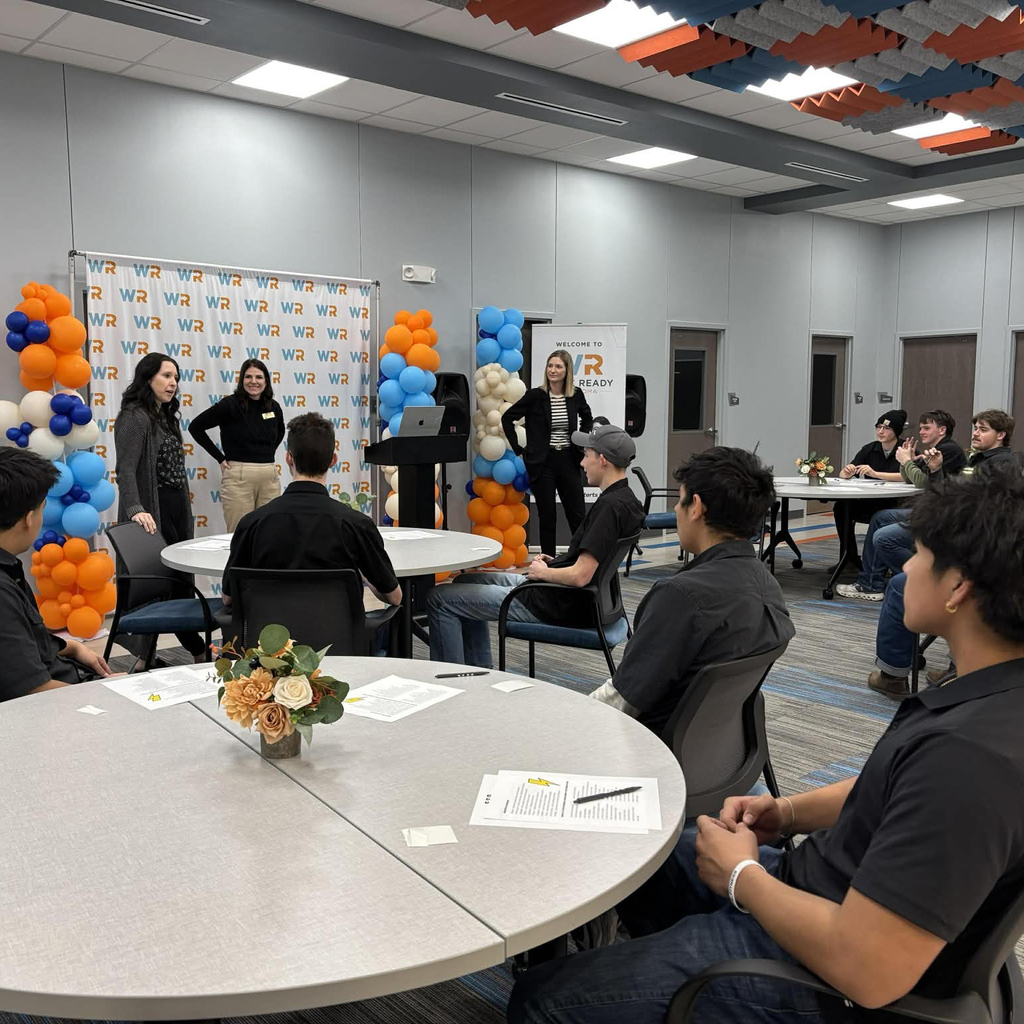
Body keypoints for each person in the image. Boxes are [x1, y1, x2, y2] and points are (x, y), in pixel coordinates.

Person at [510, 468, 1024, 1024]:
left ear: (958, 589)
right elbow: (895, 788)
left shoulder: (969, 758)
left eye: (919, 555)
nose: (903, 566)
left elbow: (868, 968)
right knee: (632, 854)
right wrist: (786, 810)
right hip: (816, 885)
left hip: (820, 972)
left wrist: (742, 878)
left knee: (541, 1000)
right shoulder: (985, 696)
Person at [590, 446, 794, 736]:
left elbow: (621, 701)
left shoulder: (680, 597)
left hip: (654, 753)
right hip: (719, 757)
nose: (675, 509)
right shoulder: (768, 585)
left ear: (696, 506)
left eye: (680, 499)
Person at [427, 423, 644, 669]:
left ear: (602, 459)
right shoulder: (627, 501)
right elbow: (594, 562)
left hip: (555, 603)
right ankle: (479, 672)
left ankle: (451, 679)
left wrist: (544, 573)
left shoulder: (608, 509)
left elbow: (581, 576)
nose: (582, 464)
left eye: (586, 456)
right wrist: (556, 564)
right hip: (573, 598)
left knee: (439, 598)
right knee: (463, 582)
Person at [221, 413, 401, 621]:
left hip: (272, 648)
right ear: (333, 460)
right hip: (342, 647)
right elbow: (394, 597)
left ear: (288, 458)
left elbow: (228, 598)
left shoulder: (252, 523)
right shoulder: (357, 524)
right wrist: (362, 574)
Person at [0, 448, 114, 701]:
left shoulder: (9, 568)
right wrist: (111, 693)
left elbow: (20, 644)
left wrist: (69, 646)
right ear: (29, 519)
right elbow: (32, 692)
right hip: (54, 710)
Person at [114, 352, 205, 662]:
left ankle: (184, 650)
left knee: (180, 581)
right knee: (155, 581)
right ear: (148, 377)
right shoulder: (134, 416)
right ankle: (190, 650)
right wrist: (136, 508)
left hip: (176, 507)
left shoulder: (164, 415)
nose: (173, 383)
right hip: (153, 508)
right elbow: (125, 469)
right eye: (166, 376)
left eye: (176, 377)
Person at [836, 409, 965, 602]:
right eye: (921, 428)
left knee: (882, 530)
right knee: (877, 516)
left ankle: (926, 579)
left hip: (941, 514)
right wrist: (909, 462)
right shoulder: (872, 448)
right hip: (931, 508)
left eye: (926, 428)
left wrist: (905, 461)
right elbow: (911, 477)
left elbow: (921, 482)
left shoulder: (947, 450)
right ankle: (871, 581)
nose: (921, 432)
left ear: (942, 430)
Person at [501, 349, 593, 557]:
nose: (553, 370)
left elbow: (587, 418)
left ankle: (580, 559)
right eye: (550, 366)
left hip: (569, 460)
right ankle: (548, 561)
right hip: (543, 463)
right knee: (548, 516)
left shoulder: (576, 395)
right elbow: (508, 418)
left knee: (577, 514)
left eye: (558, 366)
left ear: (567, 370)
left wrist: (581, 439)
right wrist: (519, 449)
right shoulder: (536, 396)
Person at [188, 358, 285, 531]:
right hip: (239, 477)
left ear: (266, 381)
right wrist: (220, 458)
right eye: (248, 377)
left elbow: (280, 431)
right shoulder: (230, 405)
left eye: (259, 377)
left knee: (269, 532)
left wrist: (266, 452)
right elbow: (196, 427)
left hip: (269, 476)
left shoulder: (274, 407)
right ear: (242, 380)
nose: (253, 381)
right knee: (239, 534)